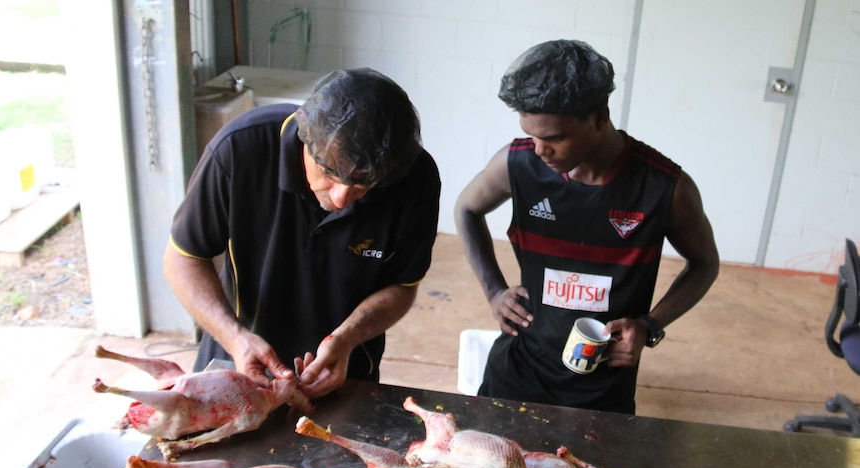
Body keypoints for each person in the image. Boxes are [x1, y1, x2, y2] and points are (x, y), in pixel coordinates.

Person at [454, 40, 719, 414]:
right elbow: (466, 208)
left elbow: (705, 263)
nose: (540, 149)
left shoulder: (664, 188)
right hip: (518, 368)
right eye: (532, 135)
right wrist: (495, 291)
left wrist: (650, 325)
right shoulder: (517, 164)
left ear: (598, 117)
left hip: (602, 387)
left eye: (555, 138)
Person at [164, 68, 441, 400]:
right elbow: (184, 258)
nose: (340, 198)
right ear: (304, 138)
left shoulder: (414, 179)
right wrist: (235, 338)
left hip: (343, 370)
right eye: (328, 172)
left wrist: (346, 339)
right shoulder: (240, 149)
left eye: (364, 186)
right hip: (234, 358)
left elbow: (403, 284)